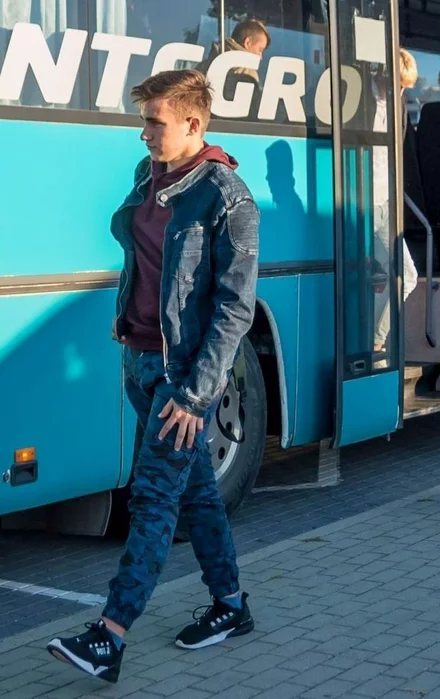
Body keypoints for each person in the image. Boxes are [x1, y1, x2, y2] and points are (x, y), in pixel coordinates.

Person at [45, 70, 259, 682]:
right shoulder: (150, 179)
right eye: (144, 120)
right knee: (196, 490)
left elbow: (234, 308)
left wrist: (196, 395)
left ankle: (110, 635)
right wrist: (123, 321)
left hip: (181, 378)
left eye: (153, 121)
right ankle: (231, 605)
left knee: (154, 496)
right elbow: (140, 262)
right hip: (140, 360)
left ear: (193, 124)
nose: (143, 134)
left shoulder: (227, 197)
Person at [371, 48, 419, 364]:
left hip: (384, 201)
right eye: (399, 84)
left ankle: (374, 341)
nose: (402, 91)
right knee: (403, 275)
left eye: (405, 87)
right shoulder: (361, 96)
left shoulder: (397, 103)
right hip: (364, 203)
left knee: (404, 275)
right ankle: (374, 344)